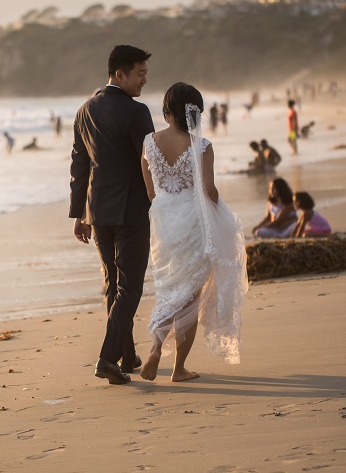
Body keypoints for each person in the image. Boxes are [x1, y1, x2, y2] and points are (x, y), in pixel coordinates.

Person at [139, 82, 248, 382]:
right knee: (190, 297)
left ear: (166, 110)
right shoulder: (201, 145)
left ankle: (155, 348)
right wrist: (222, 213)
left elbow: (150, 191)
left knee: (169, 289)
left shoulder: (149, 142)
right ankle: (178, 369)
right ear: (194, 111)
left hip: (163, 224)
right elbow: (208, 190)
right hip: (194, 223)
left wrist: (167, 207)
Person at [70, 44, 155, 385]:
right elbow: (148, 161)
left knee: (113, 284)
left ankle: (126, 353)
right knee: (130, 286)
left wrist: (79, 213)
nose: (144, 81)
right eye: (140, 74)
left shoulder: (84, 110)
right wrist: (160, 200)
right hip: (132, 209)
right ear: (119, 75)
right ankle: (107, 357)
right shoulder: (137, 112)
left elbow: (79, 164)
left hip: (97, 210)